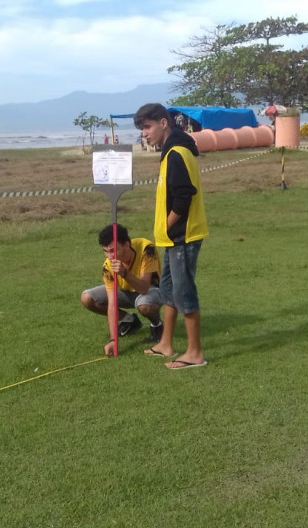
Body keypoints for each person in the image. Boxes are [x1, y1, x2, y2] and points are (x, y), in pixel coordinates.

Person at [134, 103, 208, 370]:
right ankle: (166, 343)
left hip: (182, 237)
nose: (144, 134)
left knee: (184, 291)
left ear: (163, 123)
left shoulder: (176, 152)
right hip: (171, 239)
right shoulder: (171, 151)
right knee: (168, 290)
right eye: (142, 129)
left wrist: (167, 225)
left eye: (147, 126)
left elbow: (184, 196)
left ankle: (195, 353)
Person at [81, 224, 163, 356]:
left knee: (144, 305)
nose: (109, 256)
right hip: (125, 292)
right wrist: (113, 339)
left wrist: (124, 273)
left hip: (150, 291)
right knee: (87, 298)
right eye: (105, 251)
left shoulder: (147, 249)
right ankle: (130, 321)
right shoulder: (108, 266)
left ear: (126, 244)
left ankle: (157, 325)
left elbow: (143, 288)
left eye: (113, 250)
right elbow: (112, 304)